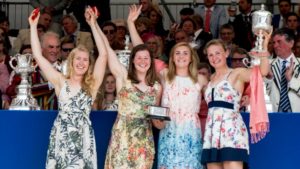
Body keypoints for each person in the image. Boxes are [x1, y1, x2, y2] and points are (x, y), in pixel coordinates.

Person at [29, 6, 107, 168]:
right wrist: (33, 26)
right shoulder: (60, 81)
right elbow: (37, 55)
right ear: (71, 62)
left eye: (85, 60)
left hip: (83, 138)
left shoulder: (92, 85)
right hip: (61, 137)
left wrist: (93, 25)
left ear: (89, 64)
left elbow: (104, 55)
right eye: (78, 59)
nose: (81, 63)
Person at [104, 5, 163, 169]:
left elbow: (156, 119)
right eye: (139, 58)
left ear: (151, 61)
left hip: (144, 139)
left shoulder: (156, 87)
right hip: (122, 136)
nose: (143, 61)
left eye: (146, 58)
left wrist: (161, 122)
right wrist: (95, 25)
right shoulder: (124, 78)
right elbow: (108, 51)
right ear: (132, 61)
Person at [201, 31, 271, 168]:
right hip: (212, 134)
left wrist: (263, 48)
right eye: (210, 55)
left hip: (231, 131)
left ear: (226, 53)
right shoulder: (209, 80)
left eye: (217, 53)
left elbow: (261, 72)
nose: (214, 57)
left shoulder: (236, 73)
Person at [265, 28, 300, 112]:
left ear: (291, 43)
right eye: (274, 42)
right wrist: (269, 78)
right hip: (274, 114)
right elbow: (263, 94)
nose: (275, 46)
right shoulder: (267, 65)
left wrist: (291, 79)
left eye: (279, 42)